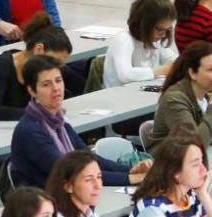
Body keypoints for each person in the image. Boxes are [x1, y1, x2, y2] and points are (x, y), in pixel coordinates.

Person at [10, 56, 142, 188]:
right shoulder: (30, 130)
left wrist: (132, 170)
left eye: (58, 80)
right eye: (46, 84)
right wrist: (129, 178)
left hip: (70, 192)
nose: (56, 88)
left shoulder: (59, 122)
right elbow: (69, 172)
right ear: (32, 91)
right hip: (44, 201)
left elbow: (87, 158)